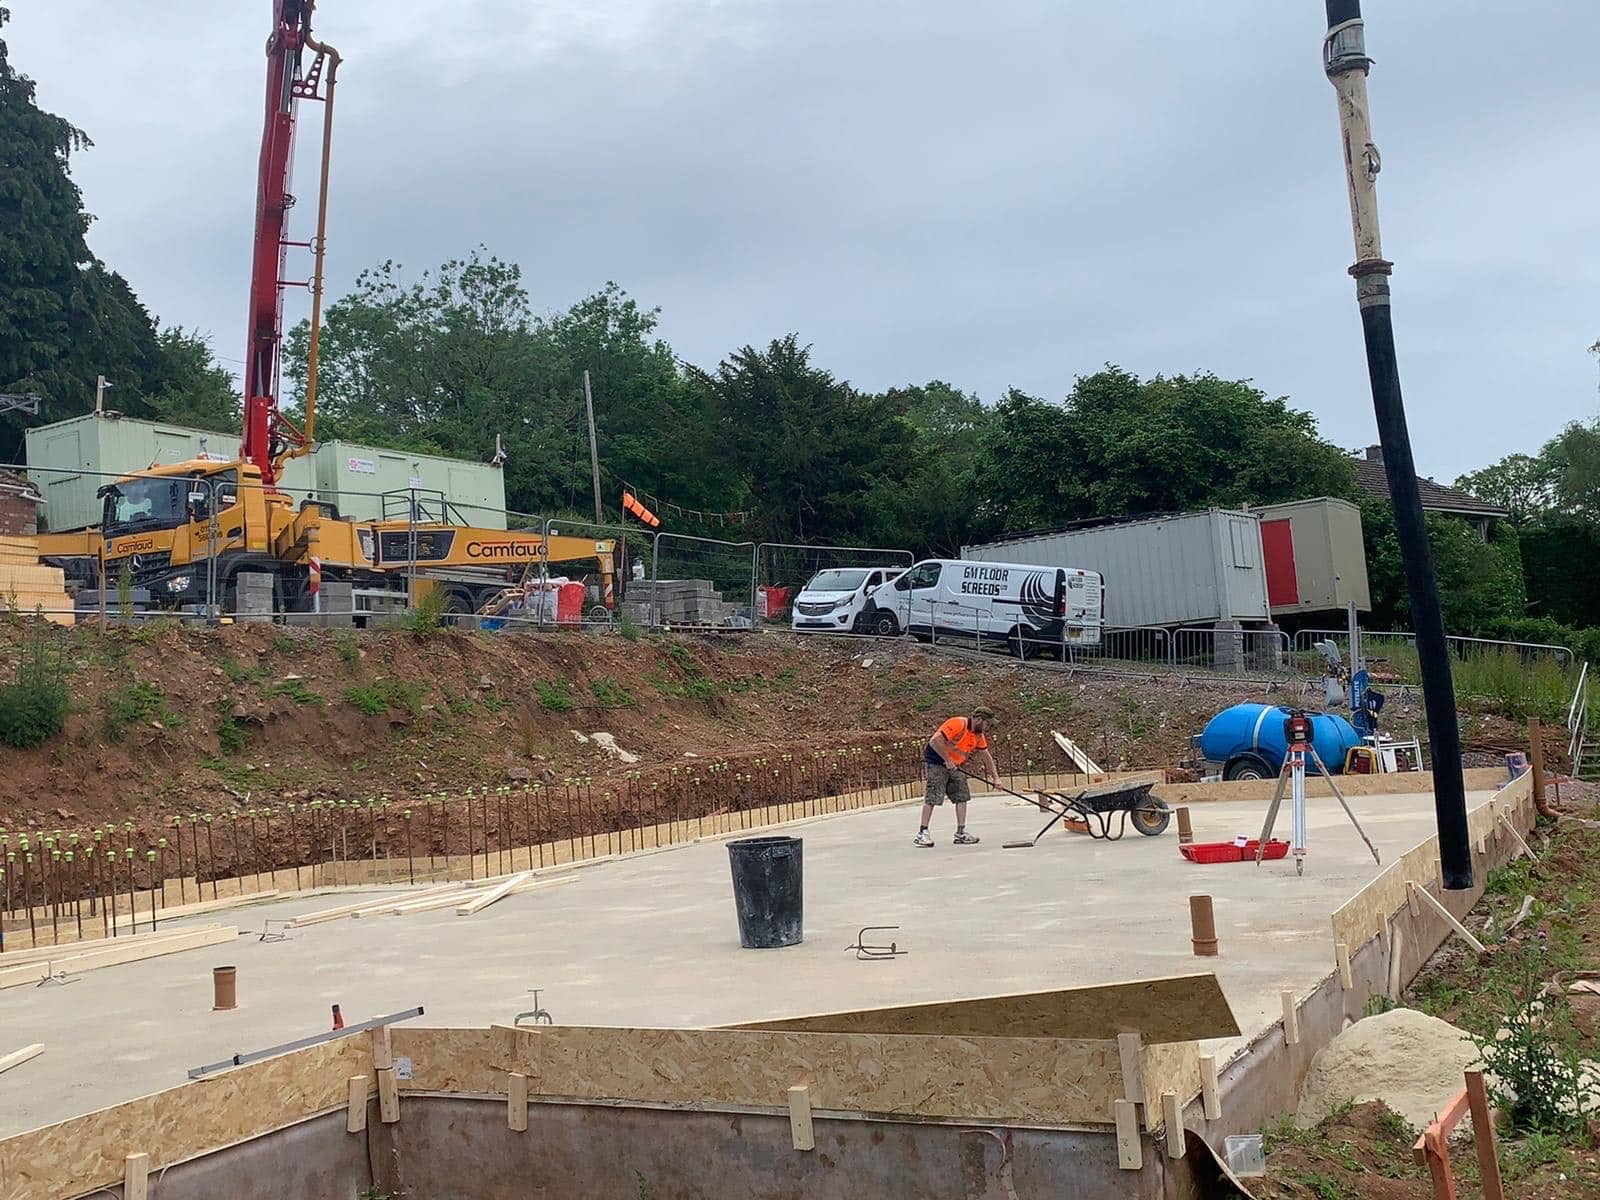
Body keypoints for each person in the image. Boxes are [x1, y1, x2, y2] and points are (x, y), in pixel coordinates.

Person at [916, 707, 999, 847]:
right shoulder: (958, 724)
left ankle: (961, 832)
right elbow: (936, 741)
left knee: (962, 795)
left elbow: (986, 756)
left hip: (955, 765)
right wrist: (947, 760)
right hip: (937, 761)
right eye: (987, 723)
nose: (988, 727)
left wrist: (996, 778)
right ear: (978, 720)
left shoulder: (978, 736)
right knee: (933, 796)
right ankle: (922, 832)